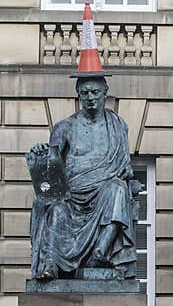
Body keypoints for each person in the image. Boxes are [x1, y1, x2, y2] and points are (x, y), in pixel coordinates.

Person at [26, 75, 140, 280]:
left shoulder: (117, 125)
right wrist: (41, 153)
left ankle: (100, 252)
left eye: (95, 92)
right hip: (72, 199)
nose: (90, 97)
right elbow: (51, 168)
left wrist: (127, 174)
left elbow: (124, 167)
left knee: (118, 189)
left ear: (105, 93)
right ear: (78, 95)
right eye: (85, 93)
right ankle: (50, 266)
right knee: (57, 210)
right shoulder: (64, 128)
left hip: (103, 196)